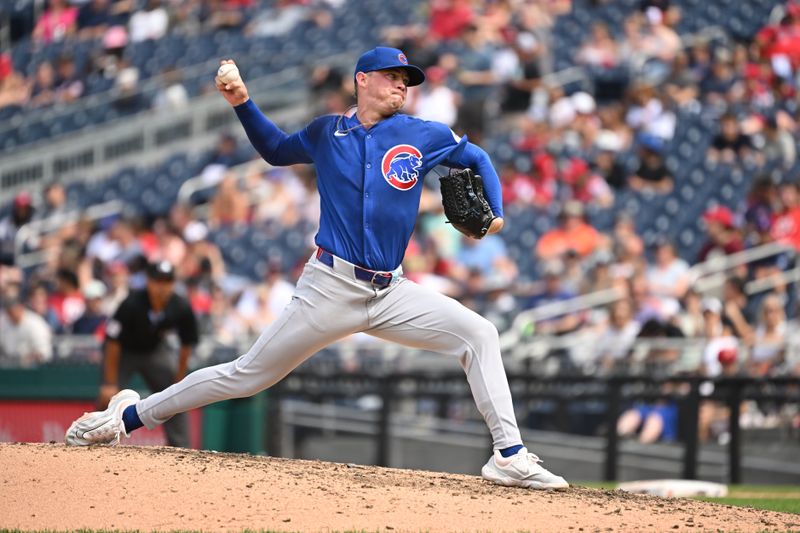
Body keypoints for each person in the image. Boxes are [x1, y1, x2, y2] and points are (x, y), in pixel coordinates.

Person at [65, 46, 568, 490]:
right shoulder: (328, 132)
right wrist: (242, 101)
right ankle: (128, 417)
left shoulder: (423, 133)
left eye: (407, 80)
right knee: (246, 376)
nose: (402, 85)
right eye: (393, 76)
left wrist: (497, 212)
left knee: (479, 333)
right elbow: (275, 149)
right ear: (363, 79)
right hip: (329, 286)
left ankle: (510, 456)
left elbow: (476, 155)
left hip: (391, 291)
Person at [88, 260, 198, 447]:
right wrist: (109, 382)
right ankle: (94, 439)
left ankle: (181, 447)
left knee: (177, 395)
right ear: (149, 281)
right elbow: (112, 341)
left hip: (154, 352)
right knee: (108, 396)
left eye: (167, 282)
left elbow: (186, 344)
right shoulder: (132, 303)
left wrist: (179, 377)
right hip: (124, 352)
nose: (162, 287)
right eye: (158, 281)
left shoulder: (180, 306)